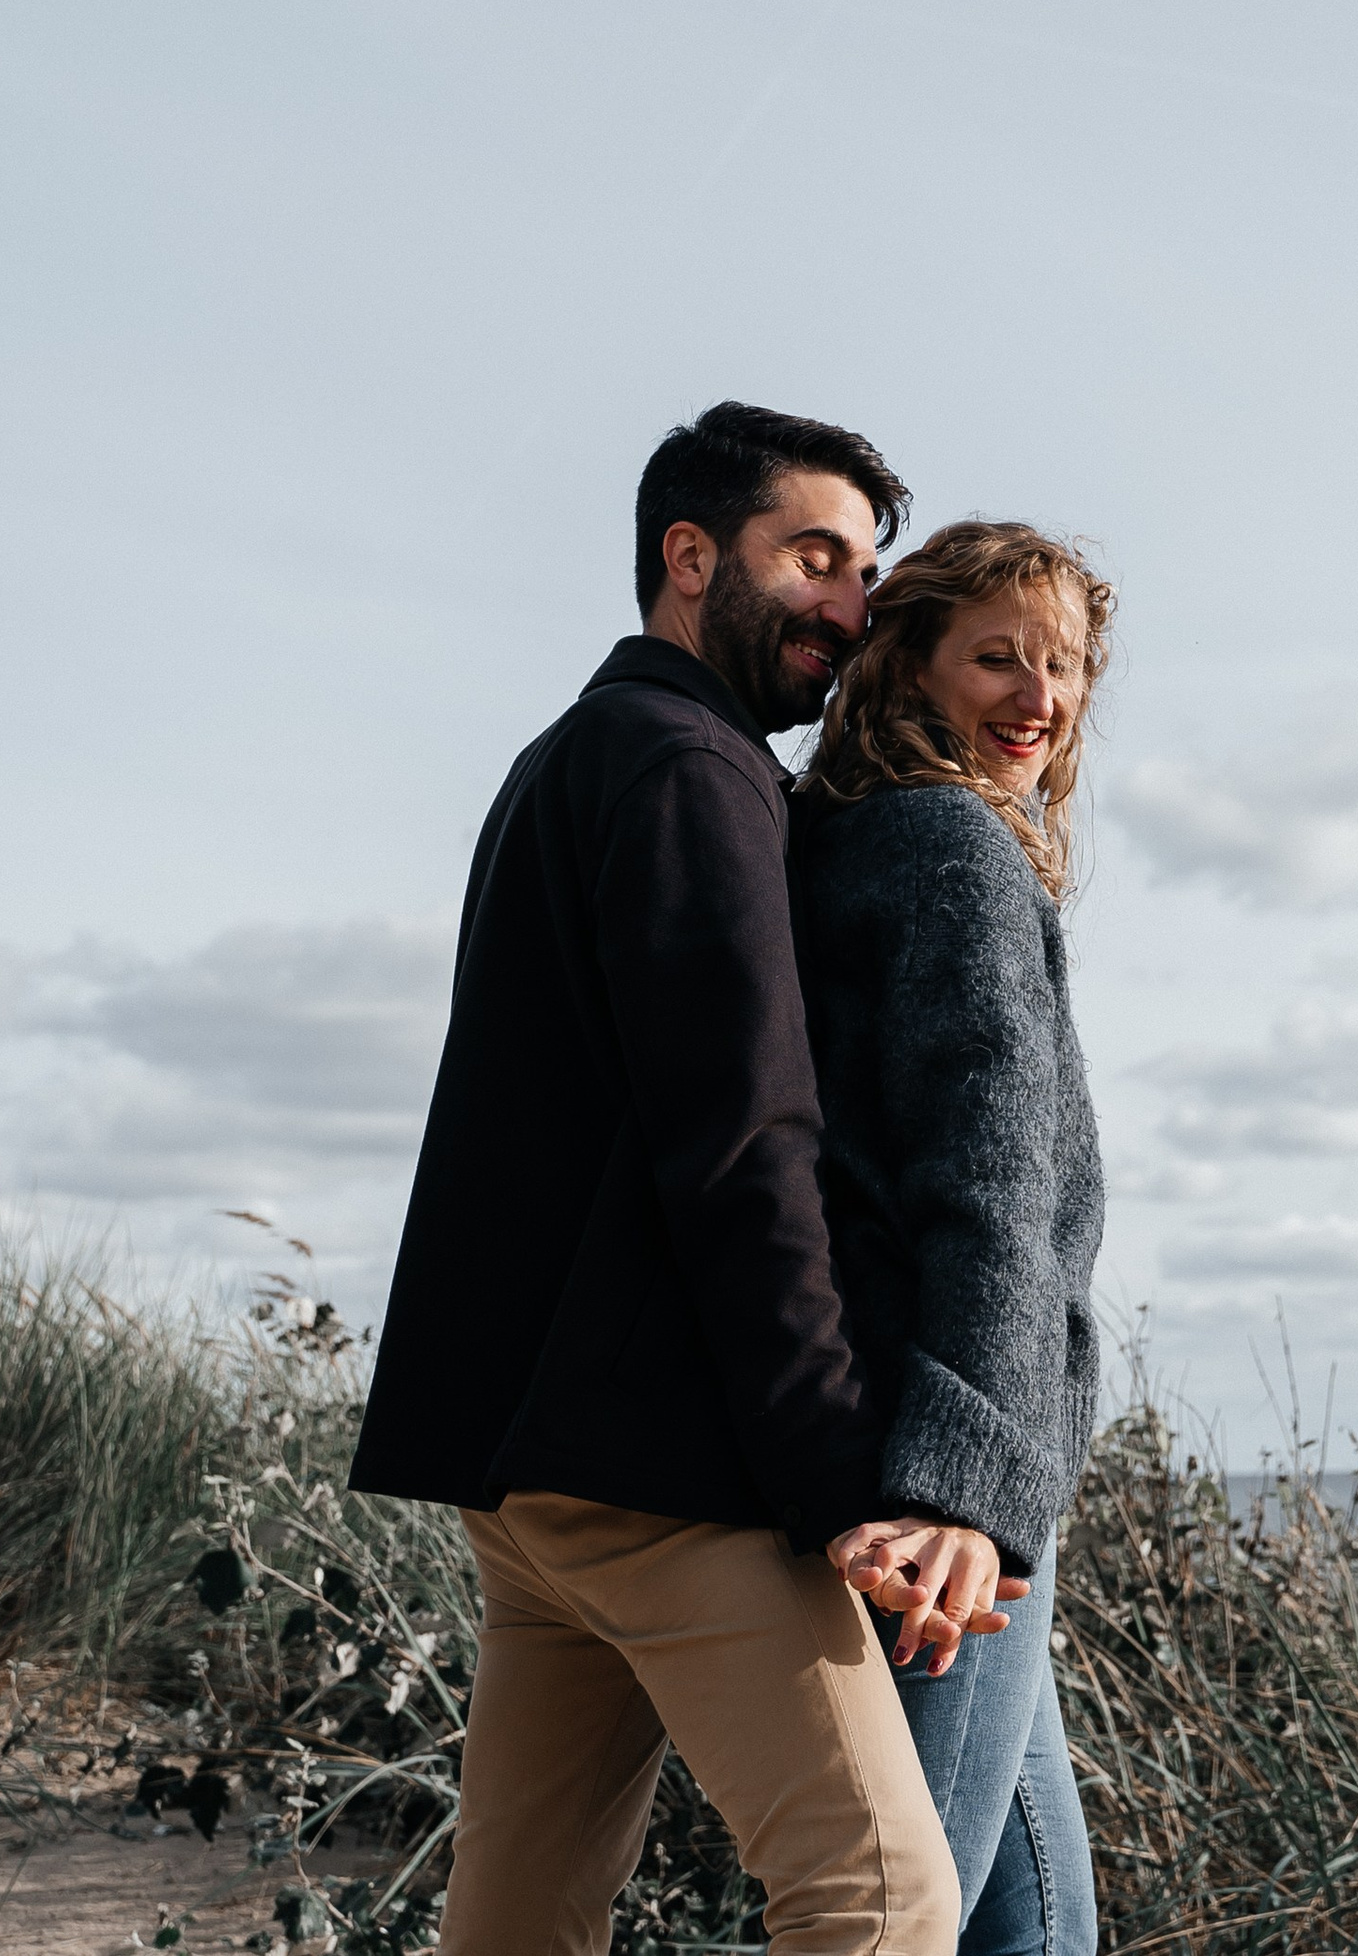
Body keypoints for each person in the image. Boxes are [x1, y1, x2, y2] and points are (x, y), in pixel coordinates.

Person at [351, 402, 994, 1956]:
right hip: (659, 1478)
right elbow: (744, 1149)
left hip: (529, 1483)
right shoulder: (696, 772)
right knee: (887, 1894)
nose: (849, 604)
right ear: (688, 556)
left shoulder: (561, 760)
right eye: (813, 556)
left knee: (521, 1921)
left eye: (864, 569)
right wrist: (834, 1475)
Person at [794, 521, 1114, 1956]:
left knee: (1035, 1916)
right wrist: (969, 1502)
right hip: (953, 1482)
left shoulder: (839, 847)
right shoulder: (950, 849)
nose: (1039, 698)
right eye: (997, 656)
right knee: (896, 1920)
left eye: (1065, 668)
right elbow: (990, 1189)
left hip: (925, 1443)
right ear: (905, 667)